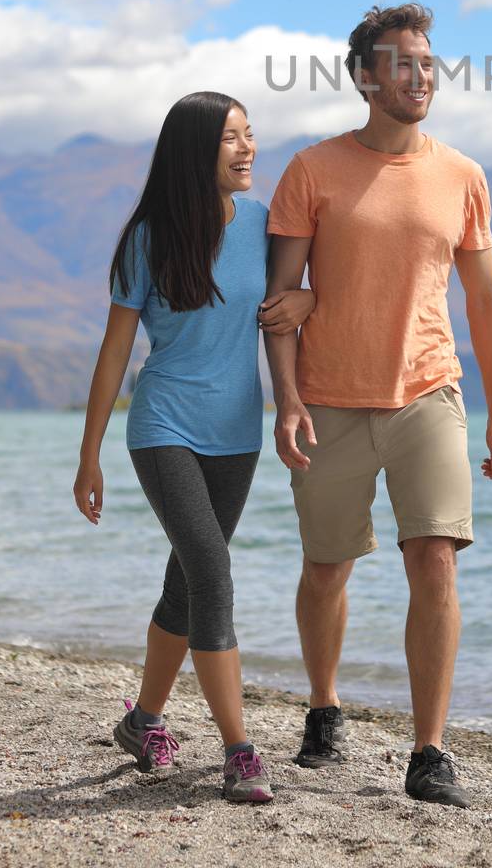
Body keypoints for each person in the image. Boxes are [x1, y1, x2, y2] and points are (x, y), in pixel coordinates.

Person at [259, 2, 492, 809]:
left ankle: (429, 750)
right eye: (402, 64)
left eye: (429, 64)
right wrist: (288, 399)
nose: (420, 77)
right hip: (329, 399)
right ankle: (324, 707)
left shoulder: (462, 176)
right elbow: (279, 299)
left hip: (427, 392)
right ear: (366, 77)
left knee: (433, 559)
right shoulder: (311, 170)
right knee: (326, 567)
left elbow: (485, 299)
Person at [73, 92, 312, 804]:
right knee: (211, 570)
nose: (248, 149)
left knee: (186, 581)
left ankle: (142, 720)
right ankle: (240, 751)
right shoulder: (148, 236)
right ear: (193, 150)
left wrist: (308, 300)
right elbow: (115, 350)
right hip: (164, 426)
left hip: (236, 434)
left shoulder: (265, 224)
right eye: (231, 139)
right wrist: (89, 455)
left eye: (249, 135)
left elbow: (284, 307)